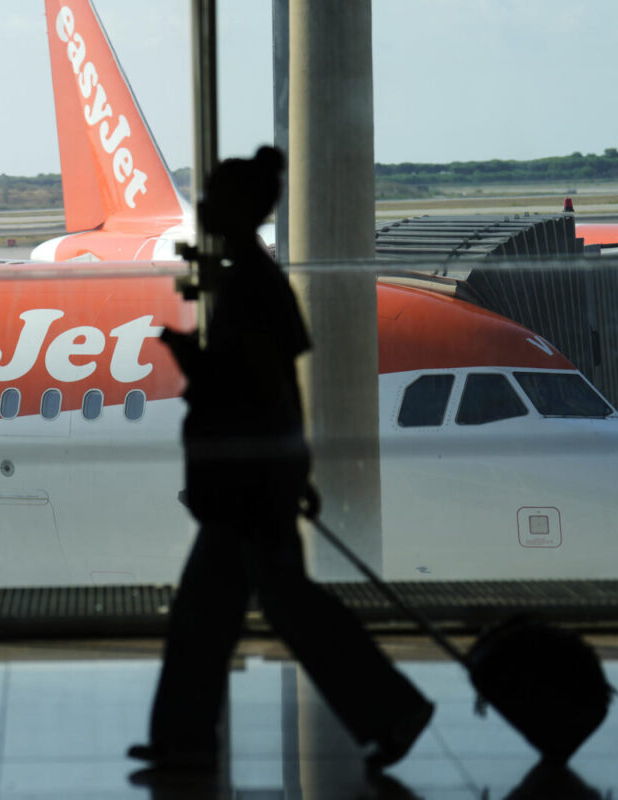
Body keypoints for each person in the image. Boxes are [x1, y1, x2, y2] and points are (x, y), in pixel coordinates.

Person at [128, 146, 433, 774]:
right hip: (258, 478)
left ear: (237, 209)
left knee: (228, 617)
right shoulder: (256, 279)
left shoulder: (249, 285)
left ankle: (388, 710)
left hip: (246, 484)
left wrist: (192, 363)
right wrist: (295, 469)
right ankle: (188, 736)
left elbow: (250, 388)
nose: (203, 207)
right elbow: (277, 389)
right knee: (254, 612)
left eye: (212, 198)